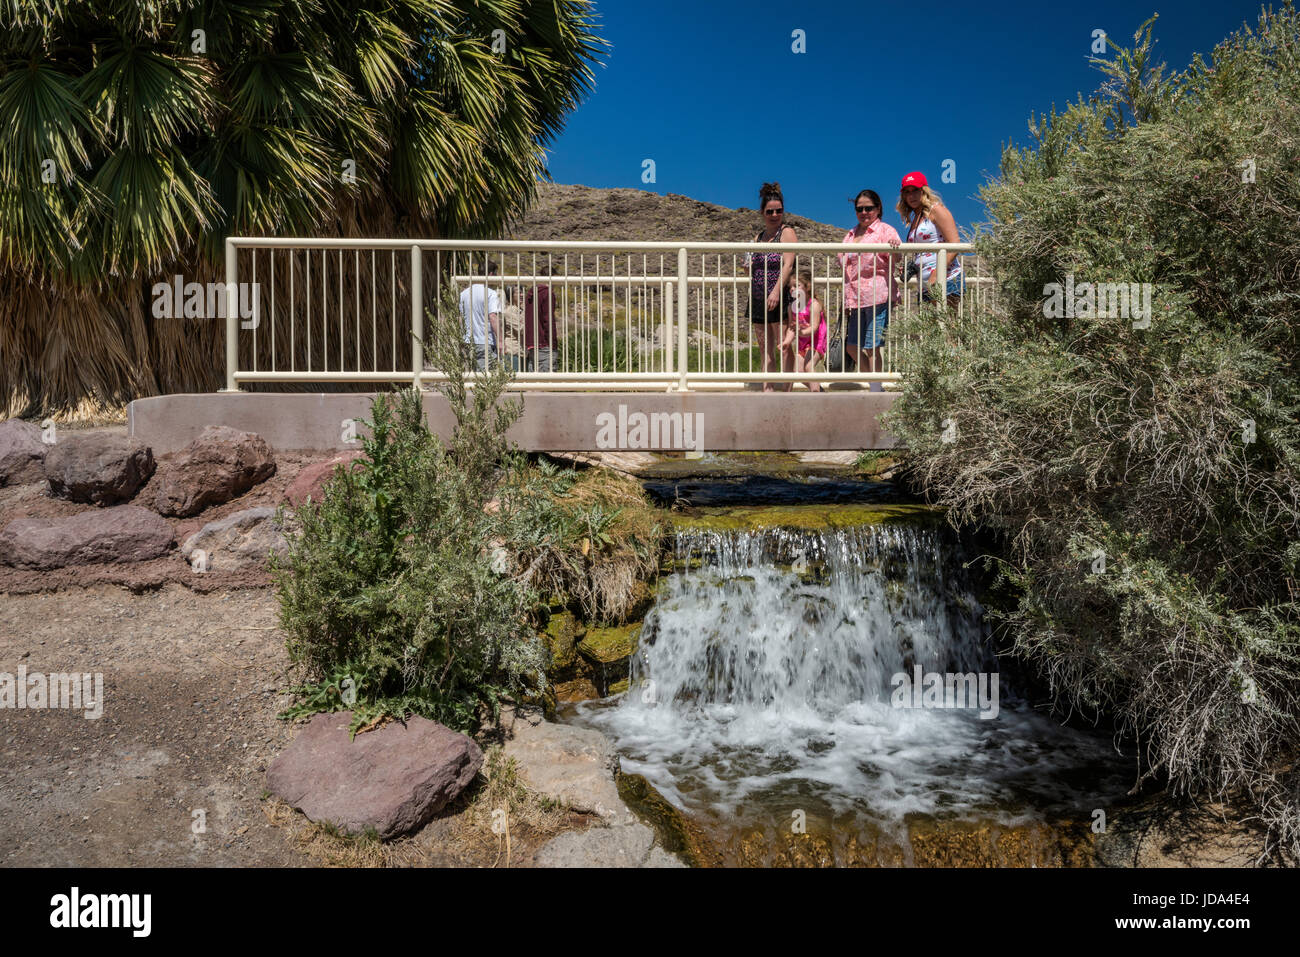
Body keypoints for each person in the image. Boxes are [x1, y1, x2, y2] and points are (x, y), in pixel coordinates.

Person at [838, 189, 900, 391]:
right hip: (855, 299)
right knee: (852, 347)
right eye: (859, 209)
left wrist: (893, 247)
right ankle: (876, 385)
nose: (864, 212)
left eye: (868, 208)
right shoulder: (851, 234)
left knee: (872, 346)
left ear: (878, 208)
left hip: (877, 296)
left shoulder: (885, 230)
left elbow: (897, 254)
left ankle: (875, 389)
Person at [745, 182, 797, 392]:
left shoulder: (786, 232)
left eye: (779, 210)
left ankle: (787, 390)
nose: (775, 215)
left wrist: (775, 291)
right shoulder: (757, 238)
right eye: (770, 211)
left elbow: (788, 264)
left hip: (779, 296)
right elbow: (751, 267)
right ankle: (768, 389)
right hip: (758, 298)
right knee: (765, 349)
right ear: (762, 213)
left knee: (783, 346)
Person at [896, 171, 963, 308]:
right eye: (907, 192)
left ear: (924, 191)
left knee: (947, 327)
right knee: (929, 329)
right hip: (925, 284)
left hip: (945, 279)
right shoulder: (915, 218)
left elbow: (955, 244)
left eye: (915, 190)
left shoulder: (936, 210)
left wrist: (937, 274)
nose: (911, 196)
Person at [781, 269, 828, 392]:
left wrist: (800, 332)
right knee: (798, 372)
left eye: (797, 286)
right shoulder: (792, 307)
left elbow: (814, 327)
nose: (792, 289)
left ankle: (815, 395)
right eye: (790, 286)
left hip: (816, 342)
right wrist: (787, 341)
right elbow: (792, 328)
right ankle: (818, 390)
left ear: (807, 287)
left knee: (808, 366)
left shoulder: (814, 305)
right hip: (803, 343)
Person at [459, 260, 502, 370]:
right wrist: (501, 340)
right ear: (491, 274)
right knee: (484, 378)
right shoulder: (491, 293)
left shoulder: (464, 294)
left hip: (467, 342)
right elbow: (493, 317)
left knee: (470, 377)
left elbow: (460, 318)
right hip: (484, 342)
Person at [523, 263, 556, 372]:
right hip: (544, 343)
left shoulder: (531, 293)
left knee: (533, 381)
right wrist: (552, 342)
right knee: (546, 382)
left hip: (531, 343)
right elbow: (548, 320)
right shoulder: (547, 293)